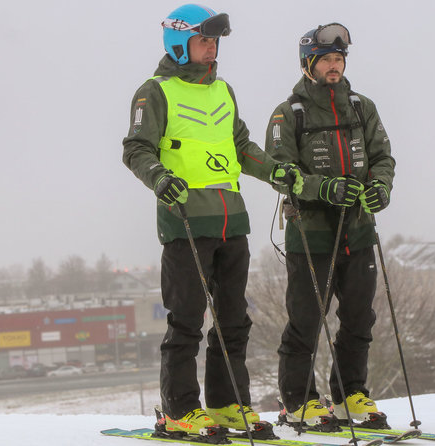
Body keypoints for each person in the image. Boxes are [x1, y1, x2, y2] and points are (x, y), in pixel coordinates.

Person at [123, 4, 301, 435]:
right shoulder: (155, 92)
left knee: (233, 319)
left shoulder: (224, 90)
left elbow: (241, 146)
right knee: (186, 318)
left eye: (215, 41)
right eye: (204, 40)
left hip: (231, 217)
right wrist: (160, 178)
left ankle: (226, 404)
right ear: (180, 44)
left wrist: (275, 171)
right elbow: (135, 149)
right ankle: (179, 410)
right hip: (185, 218)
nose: (212, 48)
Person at [264, 23, 395, 426]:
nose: (334, 67)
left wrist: (381, 189)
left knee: (358, 319)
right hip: (311, 234)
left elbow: (382, 157)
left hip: (358, 230)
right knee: (306, 320)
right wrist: (325, 188)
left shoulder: (361, 107)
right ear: (309, 65)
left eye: (339, 59)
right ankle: (298, 401)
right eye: (326, 61)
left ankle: (351, 395)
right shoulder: (288, 114)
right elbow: (279, 171)